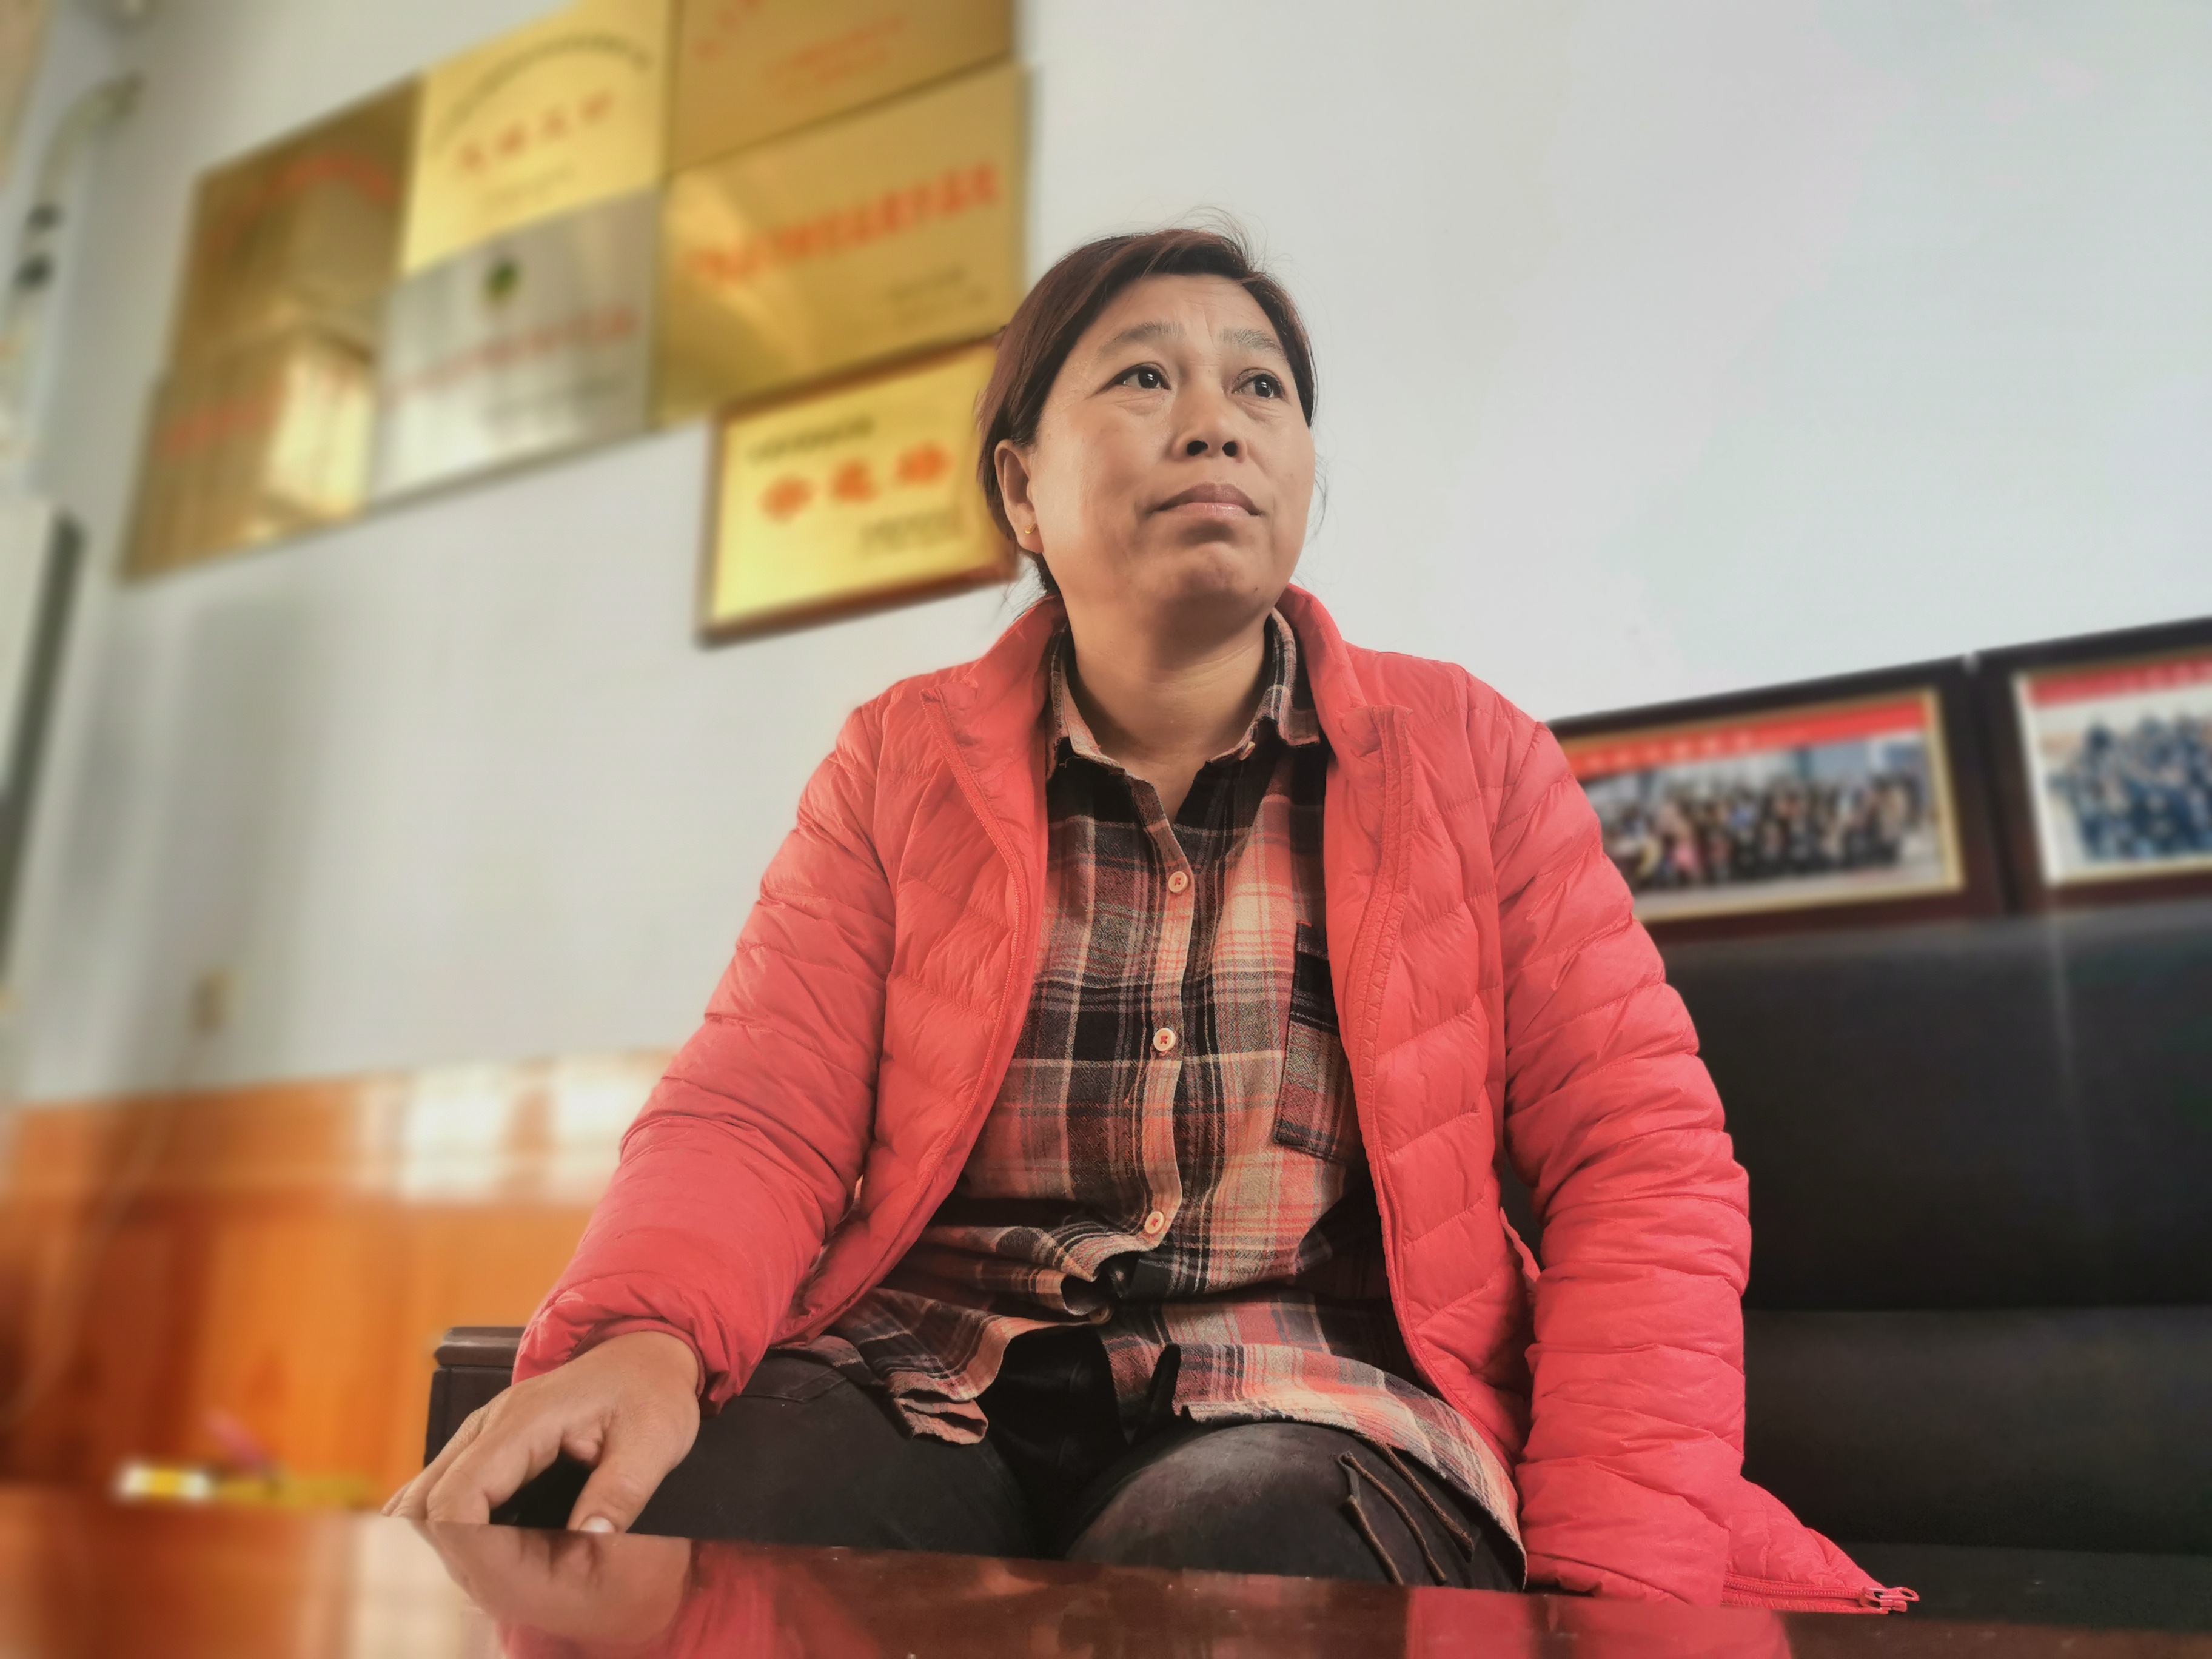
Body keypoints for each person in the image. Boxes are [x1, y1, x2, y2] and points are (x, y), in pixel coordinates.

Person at [390, 227, 1905, 1610]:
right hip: (927, 1377)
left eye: (1261, 386)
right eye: (1143, 377)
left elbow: (1640, 1161)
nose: (1215, 421)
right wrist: (649, 1340)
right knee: (694, 1516)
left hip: (1308, 1406)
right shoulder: (898, 763)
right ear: (1020, 491)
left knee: (1235, 1562)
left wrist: (1615, 1583)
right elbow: (757, 1110)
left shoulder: (1471, 757)